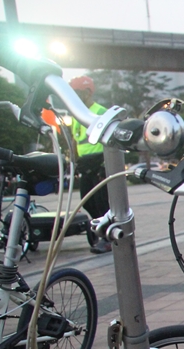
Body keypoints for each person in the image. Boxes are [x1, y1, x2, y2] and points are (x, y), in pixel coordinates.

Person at [69, 76, 111, 254]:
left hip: (100, 162)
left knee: (102, 202)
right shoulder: (77, 114)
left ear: (87, 92)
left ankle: (107, 238)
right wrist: (73, 159)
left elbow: (109, 137)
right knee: (87, 201)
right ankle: (100, 228)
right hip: (85, 163)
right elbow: (75, 139)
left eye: (76, 92)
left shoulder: (100, 112)